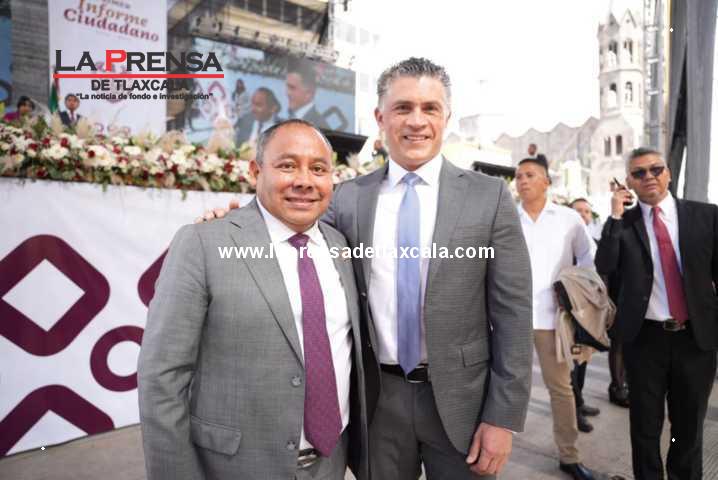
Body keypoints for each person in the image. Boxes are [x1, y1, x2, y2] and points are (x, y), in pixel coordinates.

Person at [201, 57, 533, 479]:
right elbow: (289, 230)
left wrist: (502, 417)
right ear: (380, 118)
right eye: (403, 108)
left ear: (446, 117)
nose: (417, 121)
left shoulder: (490, 197)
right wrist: (238, 223)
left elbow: (513, 314)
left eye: (430, 108)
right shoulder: (345, 199)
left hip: (463, 402)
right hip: (377, 403)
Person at [138, 120, 369, 480]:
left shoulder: (340, 245)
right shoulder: (203, 243)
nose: (304, 181)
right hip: (235, 467)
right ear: (255, 172)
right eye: (287, 165)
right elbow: (162, 377)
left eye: (318, 169)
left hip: (330, 464)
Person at [596, 147, 718, 480]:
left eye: (655, 169)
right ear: (629, 182)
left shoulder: (706, 216)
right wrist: (615, 216)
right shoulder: (623, 224)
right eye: (639, 173)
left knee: (688, 428)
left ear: (668, 173)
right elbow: (605, 264)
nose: (648, 176)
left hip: (695, 339)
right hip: (645, 341)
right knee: (645, 428)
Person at [515, 158, 598, 480]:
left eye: (530, 175)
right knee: (504, 387)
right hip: (512, 318)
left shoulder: (568, 218)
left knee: (561, 389)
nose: (522, 180)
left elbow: (588, 255)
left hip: (553, 320)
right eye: (519, 176)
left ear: (546, 182)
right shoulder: (507, 216)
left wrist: (576, 287)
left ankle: (569, 455)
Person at [570, 197, 630, 409]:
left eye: (586, 211)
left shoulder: (596, 243)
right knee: (571, 360)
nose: (583, 215)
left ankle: (579, 402)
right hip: (568, 308)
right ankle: (573, 407)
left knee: (583, 357)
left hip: (590, 310)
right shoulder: (560, 241)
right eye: (578, 210)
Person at [285, 60, 328, 129]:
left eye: (292, 88)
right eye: (287, 87)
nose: (287, 93)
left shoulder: (318, 127)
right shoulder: (292, 117)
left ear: (309, 93)